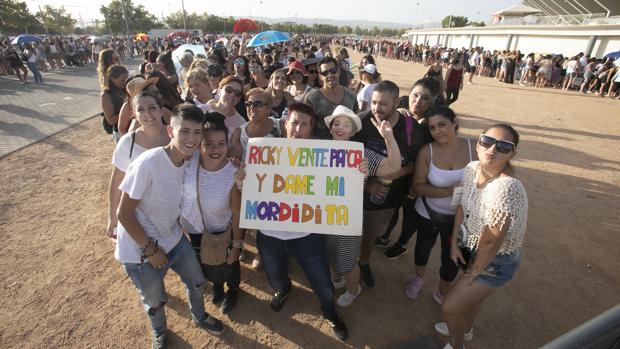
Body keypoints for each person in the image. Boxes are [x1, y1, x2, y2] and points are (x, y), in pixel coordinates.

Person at [236, 102, 349, 341]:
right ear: (285, 123)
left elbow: (342, 183)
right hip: (269, 236)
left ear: (312, 128)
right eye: (294, 123)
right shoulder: (264, 152)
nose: (298, 129)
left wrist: (355, 169)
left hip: (307, 237)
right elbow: (249, 188)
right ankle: (284, 290)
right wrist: (241, 178)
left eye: (305, 125)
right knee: (276, 277)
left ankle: (330, 312)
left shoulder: (323, 158)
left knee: (324, 287)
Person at [116, 103, 225, 348]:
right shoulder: (148, 164)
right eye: (185, 131)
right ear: (170, 132)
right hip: (139, 251)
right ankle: (160, 333)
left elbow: (219, 162)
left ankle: (199, 316)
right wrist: (151, 250)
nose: (192, 139)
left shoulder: (189, 160)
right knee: (154, 301)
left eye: (197, 133)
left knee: (197, 281)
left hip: (173, 238)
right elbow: (123, 213)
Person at [435, 124, 527, 349]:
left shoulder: (506, 187)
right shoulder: (471, 168)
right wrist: (456, 243)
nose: (492, 148)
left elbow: (492, 239)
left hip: (494, 260)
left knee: (450, 307)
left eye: (503, 146)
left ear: (512, 154)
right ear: (478, 143)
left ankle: (457, 344)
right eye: (487, 141)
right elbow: (461, 207)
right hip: (474, 248)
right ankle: (465, 330)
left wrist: (475, 269)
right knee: (471, 299)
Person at [351, 81, 428, 288]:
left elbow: (416, 165)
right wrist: (367, 186)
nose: (377, 108)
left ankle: (364, 262)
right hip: (355, 193)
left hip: (387, 198)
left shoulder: (411, 130)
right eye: (374, 102)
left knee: (370, 235)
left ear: (396, 102)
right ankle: (348, 267)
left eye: (384, 103)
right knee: (349, 233)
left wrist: (396, 173)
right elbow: (345, 158)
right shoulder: (360, 122)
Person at [325, 105, 402, 307]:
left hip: (347, 219)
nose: (341, 127)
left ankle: (353, 289)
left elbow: (393, 167)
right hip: (322, 216)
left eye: (346, 124)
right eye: (337, 123)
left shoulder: (361, 155)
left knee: (347, 260)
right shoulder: (319, 151)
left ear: (353, 130)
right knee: (329, 253)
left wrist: (388, 138)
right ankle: (337, 280)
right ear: (330, 128)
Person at [404, 105, 475, 305]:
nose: (437, 131)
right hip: (428, 213)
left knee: (452, 258)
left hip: (461, 219)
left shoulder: (475, 148)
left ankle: (443, 293)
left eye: (442, 125)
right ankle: (419, 279)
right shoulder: (427, 151)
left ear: (455, 122)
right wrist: (450, 191)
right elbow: (418, 186)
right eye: (432, 128)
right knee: (423, 247)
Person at [180, 112, 245, 315]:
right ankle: (217, 286)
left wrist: (237, 245)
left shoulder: (232, 172)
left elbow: (236, 213)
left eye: (221, 143)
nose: (216, 150)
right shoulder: (189, 164)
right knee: (207, 264)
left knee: (229, 265)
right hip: (197, 229)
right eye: (209, 144)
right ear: (200, 145)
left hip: (223, 230)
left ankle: (233, 290)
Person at [107, 91, 170, 240]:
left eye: (152, 108)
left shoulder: (175, 136)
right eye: (141, 109)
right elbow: (117, 180)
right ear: (134, 114)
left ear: (161, 110)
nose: (147, 113)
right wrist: (112, 217)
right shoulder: (127, 143)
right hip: (141, 217)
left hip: (173, 213)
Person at [305, 57, 359, 139]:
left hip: (345, 148)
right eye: (325, 73)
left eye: (333, 71)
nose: (330, 75)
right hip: (320, 148)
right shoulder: (312, 99)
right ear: (320, 76)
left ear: (339, 71)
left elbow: (356, 124)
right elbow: (306, 127)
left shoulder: (351, 96)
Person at [204, 76, 246, 143]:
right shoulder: (201, 110)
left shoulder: (241, 123)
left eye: (237, 93)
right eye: (228, 90)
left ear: (240, 97)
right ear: (219, 90)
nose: (232, 94)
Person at [101, 65, 129, 143]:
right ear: (113, 78)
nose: (125, 82)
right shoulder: (106, 95)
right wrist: (128, 110)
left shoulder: (125, 88)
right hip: (120, 132)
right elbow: (110, 120)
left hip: (131, 128)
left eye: (127, 78)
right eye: (123, 80)